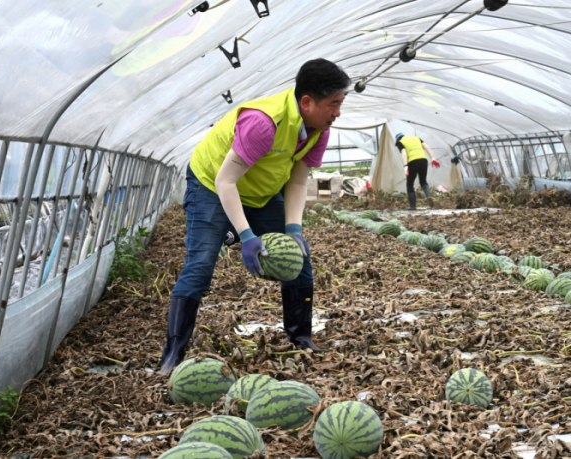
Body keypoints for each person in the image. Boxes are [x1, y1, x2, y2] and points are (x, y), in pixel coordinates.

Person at [160, 59, 351, 374]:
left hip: (260, 193)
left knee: (299, 260)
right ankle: (172, 357)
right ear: (307, 101)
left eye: (340, 104)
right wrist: (248, 237)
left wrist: (293, 228)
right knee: (201, 263)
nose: (338, 113)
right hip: (211, 184)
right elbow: (225, 181)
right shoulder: (265, 122)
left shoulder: (319, 130)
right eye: (334, 104)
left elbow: (299, 179)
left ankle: (301, 338)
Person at [395, 133, 440, 210]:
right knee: (423, 181)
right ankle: (429, 196)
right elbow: (426, 147)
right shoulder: (416, 138)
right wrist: (432, 158)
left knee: (410, 184)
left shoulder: (400, 142)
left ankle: (412, 206)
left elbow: (404, 153)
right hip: (423, 160)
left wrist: (405, 165)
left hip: (412, 162)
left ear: (398, 139)